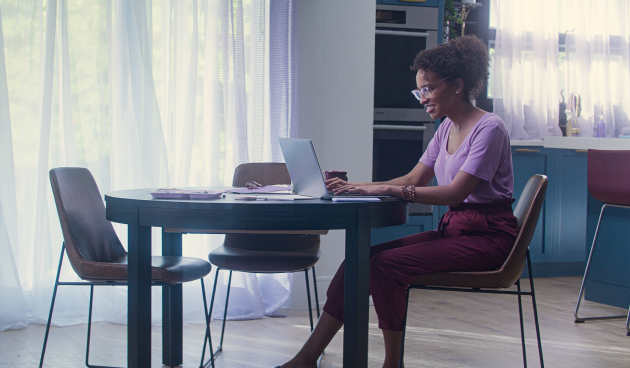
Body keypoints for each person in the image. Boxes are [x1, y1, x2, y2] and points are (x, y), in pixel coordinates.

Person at [277, 35, 517, 368]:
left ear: (458, 85)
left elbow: (454, 194)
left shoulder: (490, 128)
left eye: (429, 89)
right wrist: (354, 186)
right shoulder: (446, 129)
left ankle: (393, 364)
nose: (423, 99)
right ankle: (307, 357)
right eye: (420, 91)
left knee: (386, 267)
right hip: (456, 232)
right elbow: (411, 180)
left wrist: (388, 191)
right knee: (357, 263)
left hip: (490, 239)